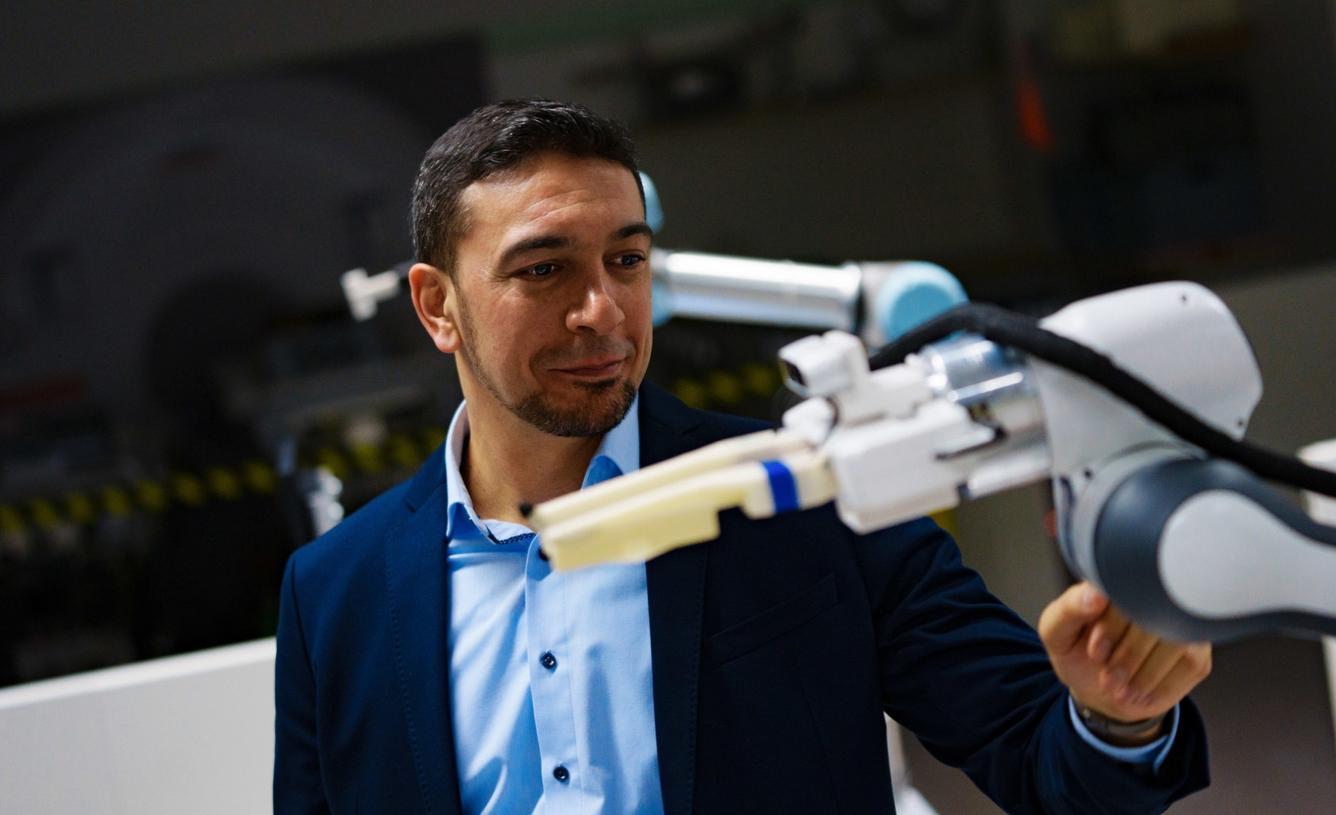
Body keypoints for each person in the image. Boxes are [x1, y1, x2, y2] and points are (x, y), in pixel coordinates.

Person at [274, 99, 1212, 815]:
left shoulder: (810, 494)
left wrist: (1116, 713)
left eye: (627, 261)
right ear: (439, 306)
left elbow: (1047, 758)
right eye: (544, 268)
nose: (602, 309)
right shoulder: (335, 595)